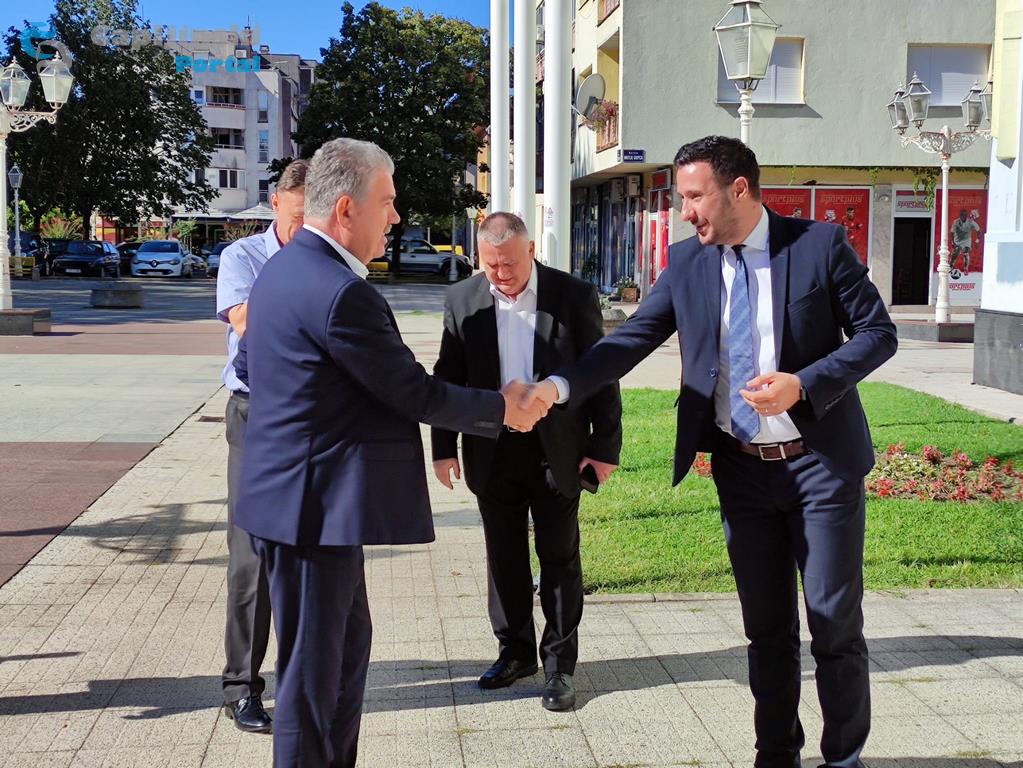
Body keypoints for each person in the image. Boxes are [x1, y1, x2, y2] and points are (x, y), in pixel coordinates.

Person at [525, 135, 897, 768]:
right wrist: (557, 387)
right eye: (681, 198)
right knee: (766, 628)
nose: (685, 210)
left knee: (833, 622)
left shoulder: (818, 245)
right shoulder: (687, 263)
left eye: (694, 196)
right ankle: (775, 754)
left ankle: (843, 758)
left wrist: (805, 383)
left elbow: (877, 334)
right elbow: (630, 340)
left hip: (819, 465)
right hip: (741, 469)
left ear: (738, 189)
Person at [235, 138, 546, 768]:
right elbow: (411, 390)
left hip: (306, 508)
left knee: (345, 657)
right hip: (312, 514)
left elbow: (249, 366)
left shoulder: (283, 270)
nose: (397, 217)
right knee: (312, 685)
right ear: (347, 209)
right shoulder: (338, 291)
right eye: (388, 202)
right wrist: (502, 409)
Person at [431, 212, 622, 711]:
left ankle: (559, 665)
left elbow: (601, 373)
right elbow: (448, 377)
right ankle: (515, 652)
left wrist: (604, 448)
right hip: (491, 449)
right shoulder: (462, 299)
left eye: (510, 264)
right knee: (504, 557)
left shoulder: (572, 295)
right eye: (491, 265)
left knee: (559, 557)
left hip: (556, 450)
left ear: (531, 250)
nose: (501, 274)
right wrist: (443, 448)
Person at [214, 158, 308, 733]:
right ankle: (241, 687)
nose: (302, 229)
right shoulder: (242, 256)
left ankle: (301, 679)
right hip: (256, 414)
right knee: (251, 554)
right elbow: (246, 321)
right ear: (275, 205)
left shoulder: (329, 259)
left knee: (308, 554)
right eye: (296, 217)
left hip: (312, 417)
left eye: (311, 219)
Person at [950, 208, 981, 275]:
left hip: (966, 241)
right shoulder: (956, 222)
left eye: (964, 215)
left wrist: (977, 240)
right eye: (962, 215)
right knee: (955, 254)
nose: (963, 216)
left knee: (966, 253)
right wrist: (952, 242)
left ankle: (966, 268)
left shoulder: (971, 222)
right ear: (960, 215)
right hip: (957, 241)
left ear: (966, 216)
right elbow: (952, 232)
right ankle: (951, 266)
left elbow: (978, 231)